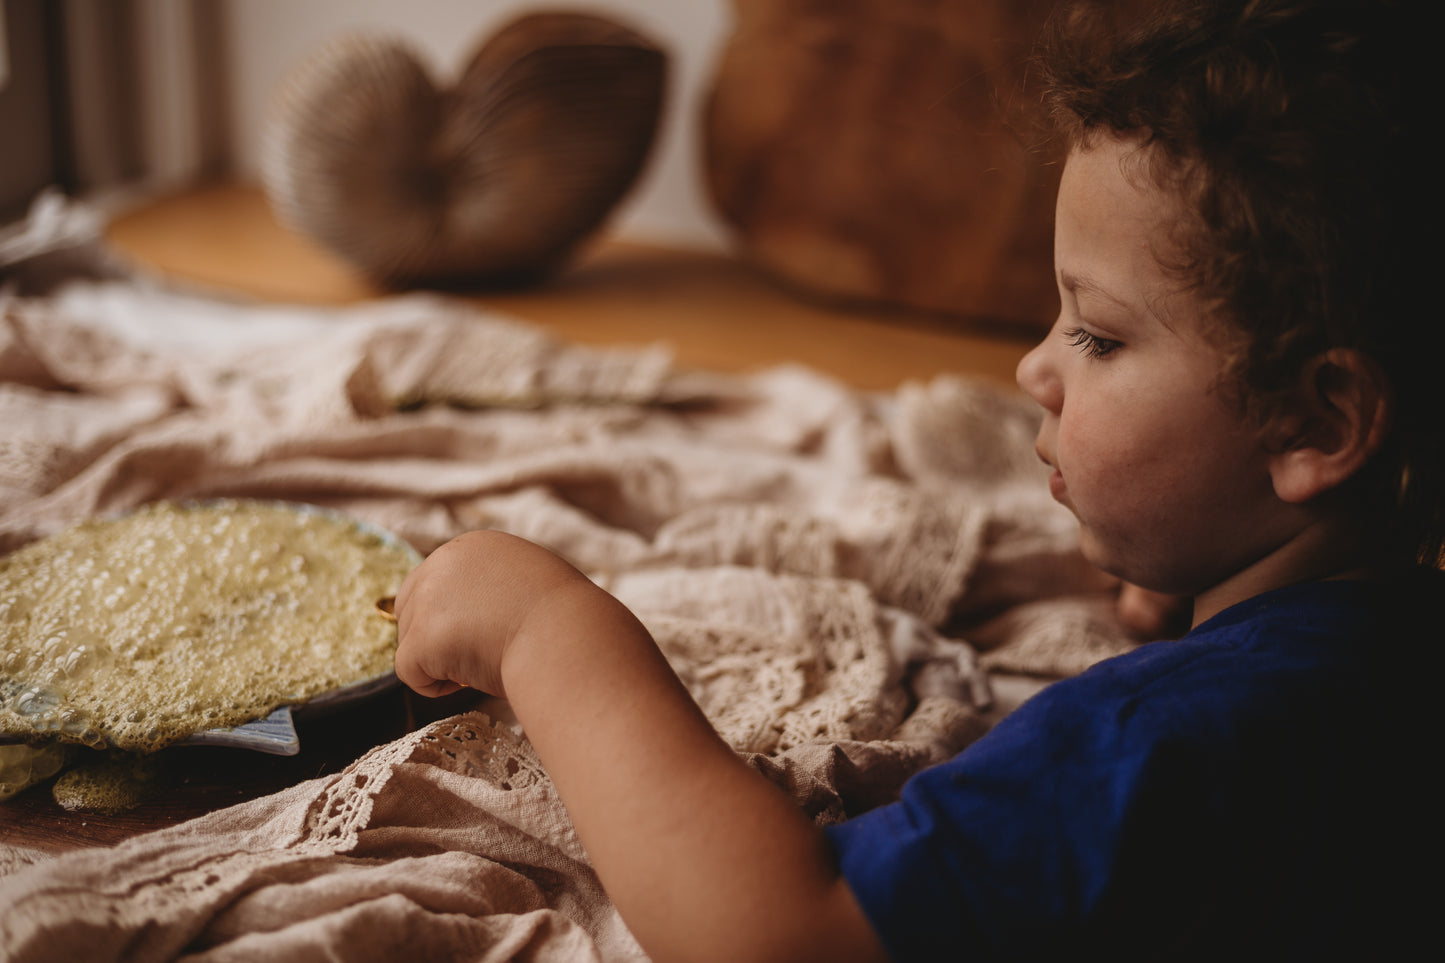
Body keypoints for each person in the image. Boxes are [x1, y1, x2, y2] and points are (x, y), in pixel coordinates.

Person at [393, 1, 1439, 958]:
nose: (1033, 371)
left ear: (1315, 421)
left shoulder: (1160, 744)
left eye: (1097, 334)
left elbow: (777, 935)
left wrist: (550, 631)